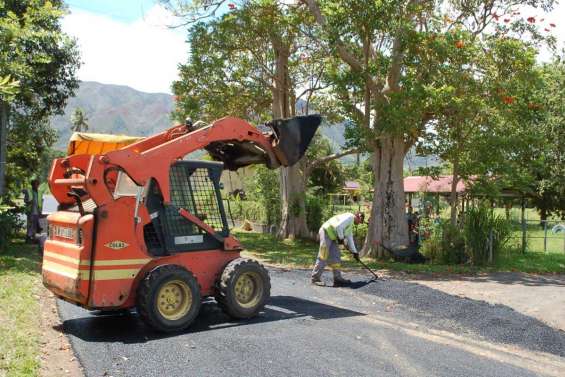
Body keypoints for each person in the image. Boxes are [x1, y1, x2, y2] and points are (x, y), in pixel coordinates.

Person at [311, 212, 363, 287]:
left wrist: (355, 253)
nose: (359, 223)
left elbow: (350, 239)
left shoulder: (350, 224)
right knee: (323, 255)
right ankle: (315, 278)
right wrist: (341, 239)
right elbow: (339, 226)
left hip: (333, 237)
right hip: (326, 232)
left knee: (336, 257)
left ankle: (337, 278)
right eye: (360, 221)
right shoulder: (349, 217)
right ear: (358, 216)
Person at [24, 179, 42, 243]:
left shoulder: (39, 192)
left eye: (38, 184)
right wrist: (29, 202)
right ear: (32, 185)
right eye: (36, 184)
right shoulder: (29, 192)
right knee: (30, 226)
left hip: (37, 212)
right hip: (30, 211)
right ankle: (28, 239)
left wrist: (40, 211)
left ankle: (33, 239)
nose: (37, 185)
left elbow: (40, 202)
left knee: (34, 226)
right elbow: (25, 201)